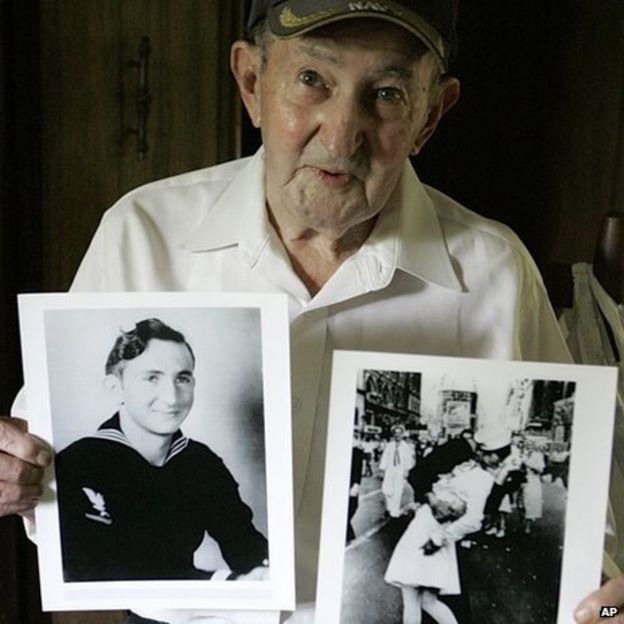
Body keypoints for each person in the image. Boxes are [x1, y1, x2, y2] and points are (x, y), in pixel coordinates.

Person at [1, 1, 622, 622]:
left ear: (430, 116)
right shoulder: (142, 232)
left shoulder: (494, 270)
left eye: (387, 92)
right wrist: (14, 474)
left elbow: (591, 535)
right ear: (251, 82)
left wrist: (605, 601)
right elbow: (38, 477)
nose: (340, 134)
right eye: (311, 80)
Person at [54, 318, 269, 582]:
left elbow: (245, 546)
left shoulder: (200, 464)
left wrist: (264, 573)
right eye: (152, 378)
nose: (171, 397)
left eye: (182, 378)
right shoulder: (76, 464)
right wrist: (223, 582)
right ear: (115, 388)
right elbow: (96, 573)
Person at [385, 486, 468, 624]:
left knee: (414, 602)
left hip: (422, 540)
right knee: (428, 602)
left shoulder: (448, 497)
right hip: (433, 543)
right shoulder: (464, 484)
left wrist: (429, 497)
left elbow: (441, 510)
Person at [380, 424, 416, 518]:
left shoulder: (406, 447)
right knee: (387, 490)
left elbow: (408, 460)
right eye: (395, 433)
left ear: (403, 434)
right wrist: (382, 470)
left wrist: (406, 470)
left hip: (400, 470)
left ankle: (394, 512)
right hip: (390, 469)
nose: (397, 435)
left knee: (397, 491)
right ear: (393, 434)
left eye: (400, 433)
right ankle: (389, 508)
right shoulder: (389, 446)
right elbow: (385, 457)